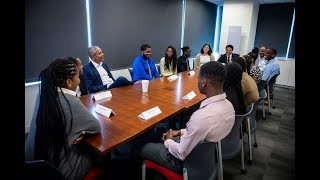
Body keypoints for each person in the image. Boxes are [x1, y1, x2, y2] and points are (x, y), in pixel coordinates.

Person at [139, 61, 235, 173]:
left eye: (198, 79)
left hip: (186, 163)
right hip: (207, 157)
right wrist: (179, 132)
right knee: (163, 136)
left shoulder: (201, 117)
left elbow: (180, 153)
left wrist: (169, 141)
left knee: (142, 146)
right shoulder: (229, 107)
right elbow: (203, 130)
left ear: (203, 82)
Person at [25, 58, 101, 179]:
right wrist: (84, 133)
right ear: (69, 82)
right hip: (64, 173)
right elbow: (96, 126)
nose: (79, 80)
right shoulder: (70, 100)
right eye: (77, 77)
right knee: (98, 152)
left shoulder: (44, 96)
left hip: (38, 168)